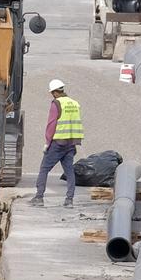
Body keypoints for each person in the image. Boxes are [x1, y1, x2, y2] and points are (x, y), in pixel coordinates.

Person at [31, 78, 83, 208]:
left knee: (44, 169)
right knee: (69, 171)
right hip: (71, 144)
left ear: (54, 92)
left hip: (58, 143)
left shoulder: (56, 104)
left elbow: (51, 124)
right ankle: (69, 200)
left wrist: (47, 142)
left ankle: (39, 197)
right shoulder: (74, 103)